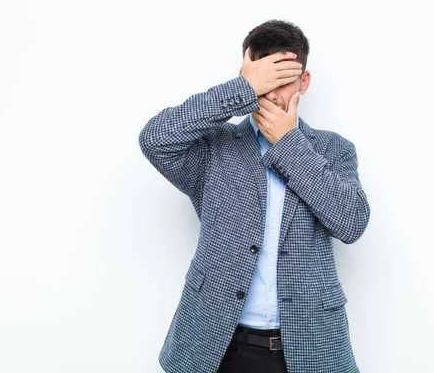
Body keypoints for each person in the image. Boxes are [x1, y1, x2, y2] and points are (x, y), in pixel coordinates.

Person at [139, 19, 371, 373]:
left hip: (308, 344)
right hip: (218, 342)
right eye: (263, 83)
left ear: (304, 82)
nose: (272, 95)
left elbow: (352, 223)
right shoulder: (216, 149)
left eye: (283, 82)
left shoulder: (332, 149)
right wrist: (239, 89)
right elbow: (155, 139)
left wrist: (289, 144)